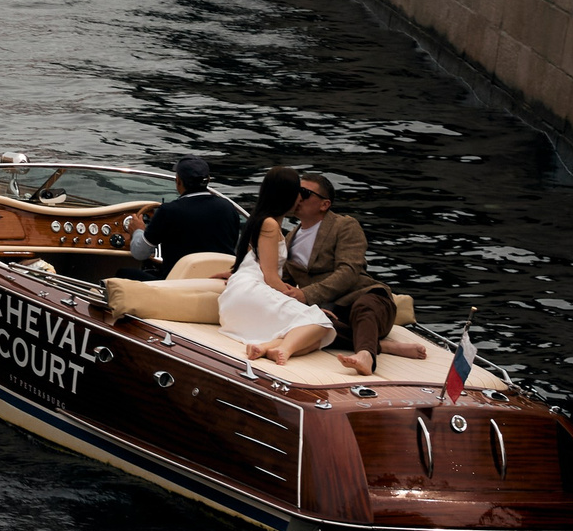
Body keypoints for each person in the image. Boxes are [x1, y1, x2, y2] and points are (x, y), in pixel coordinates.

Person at [278, 170, 428, 377]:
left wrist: (307, 295)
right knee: (302, 325)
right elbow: (282, 281)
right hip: (331, 314)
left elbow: (349, 271)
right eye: (296, 192)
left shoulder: (344, 225)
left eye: (304, 193)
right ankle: (381, 345)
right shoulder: (289, 239)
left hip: (367, 298)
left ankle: (366, 355)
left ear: (324, 204)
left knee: (364, 306)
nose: (297, 197)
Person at [215, 170, 335, 365]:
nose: (301, 199)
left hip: (241, 291)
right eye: (300, 192)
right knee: (321, 323)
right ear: (287, 194)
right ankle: (284, 349)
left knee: (318, 339)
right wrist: (303, 302)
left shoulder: (260, 219)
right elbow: (271, 277)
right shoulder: (269, 224)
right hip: (252, 291)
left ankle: (268, 347)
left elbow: (252, 259)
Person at [119, 155, 244, 275]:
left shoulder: (168, 211)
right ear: (208, 180)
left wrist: (138, 230)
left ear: (178, 181)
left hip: (176, 285)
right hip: (217, 283)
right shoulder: (229, 208)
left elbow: (140, 253)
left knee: (123, 273)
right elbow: (234, 247)